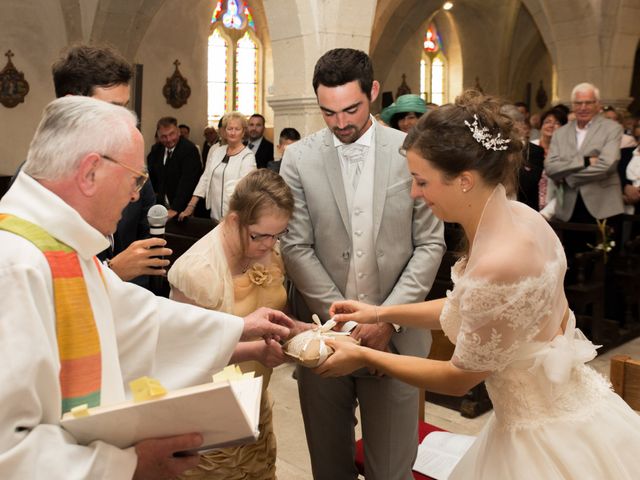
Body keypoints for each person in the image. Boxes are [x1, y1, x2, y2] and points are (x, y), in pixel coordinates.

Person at [318, 90, 640, 479]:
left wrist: (366, 356)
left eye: (422, 181)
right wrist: (380, 311)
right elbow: (468, 306)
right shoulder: (523, 217)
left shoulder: (498, 263)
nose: (415, 193)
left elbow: (458, 378)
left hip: (541, 438)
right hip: (567, 408)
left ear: (465, 181)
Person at [0, 96, 294, 479]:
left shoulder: (61, 246)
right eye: (135, 178)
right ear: (91, 172)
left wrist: (241, 327)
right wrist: (127, 465)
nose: (137, 194)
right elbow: (9, 448)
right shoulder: (16, 264)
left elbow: (140, 316)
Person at [280, 48, 445, 480]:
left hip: (396, 338)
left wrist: (386, 320)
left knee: (391, 470)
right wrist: (349, 328)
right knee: (328, 467)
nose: (340, 123)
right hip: (323, 339)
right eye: (328, 112)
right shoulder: (298, 158)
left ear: (372, 92)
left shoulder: (411, 151)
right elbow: (296, 246)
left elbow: (430, 244)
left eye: (350, 109)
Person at [169, 169, 309, 479]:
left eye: (278, 234)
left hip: (255, 397)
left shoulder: (268, 251)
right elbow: (187, 352)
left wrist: (298, 330)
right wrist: (257, 351)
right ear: (234, 220)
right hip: (207, 411)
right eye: (260, 235)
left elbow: (271, 312)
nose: (270, 244)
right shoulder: (197, 270)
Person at [14, 44, 168, 286]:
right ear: (71, 104)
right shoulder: (41, 179)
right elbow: (42, 275)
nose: (124, 121)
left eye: (124, 107)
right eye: (112, 108)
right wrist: (112, 271)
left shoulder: (134, 171)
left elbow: (145, 239)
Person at [545, 83, 624, 225]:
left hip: (604, 206)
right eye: (578, 103)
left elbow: (607, 165)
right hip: (568, 209)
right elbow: (551, 168)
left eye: (588, 103)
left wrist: (568, 177)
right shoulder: (560, 133)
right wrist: (585, 161)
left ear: (598, 105)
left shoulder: (612, 129)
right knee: (570, 247)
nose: (583, 107)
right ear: (572, 105)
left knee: (603, 248)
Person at [180, 112, 256, 222]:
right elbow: (205, 178)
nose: (233, 133)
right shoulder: (217, 152)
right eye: (230, 129)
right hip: (214, 216)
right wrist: (191, 206)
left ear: (243, 132)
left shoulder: (247, 156)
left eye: (237, 129)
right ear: (224, 131)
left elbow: (246, 189)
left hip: (236, 217)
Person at [147, 116, 203, 219]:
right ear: (158, 136)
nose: (168, 139)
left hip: (183, 209)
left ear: (178, 132)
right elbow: (150, 177)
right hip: (161, 207)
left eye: (171, 134)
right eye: (164, 136)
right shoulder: (156, 150)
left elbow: (188, 182)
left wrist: (175, 209)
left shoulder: (189, 150)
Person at [531, 107, 568, 218]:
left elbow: (564, 189)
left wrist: (546, 214)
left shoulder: (567, 153)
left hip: (552, 213)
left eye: (557, 123)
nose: (551, 126)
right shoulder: (529, 148)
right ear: (541, 126)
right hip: (527, 209)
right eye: (547, 122)